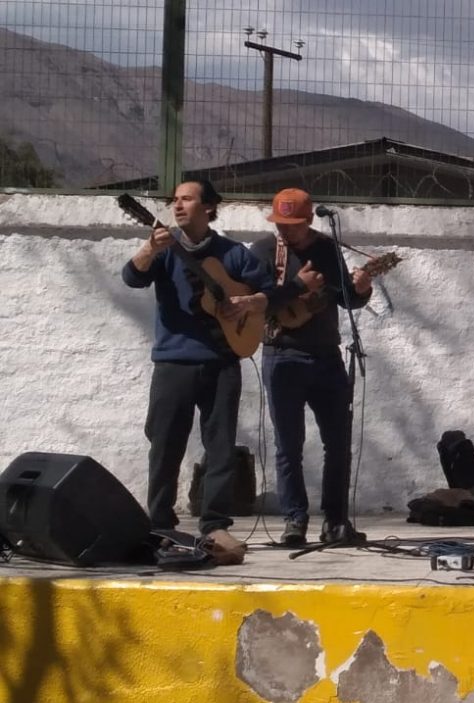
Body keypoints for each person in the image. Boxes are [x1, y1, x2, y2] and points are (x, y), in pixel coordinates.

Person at [121, 179, 290, 565]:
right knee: (164, 446)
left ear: (209, 207)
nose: (178, 206)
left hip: (222, 362)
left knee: (220, 448)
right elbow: (131, 278)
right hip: (173, 363)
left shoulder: (233, 254)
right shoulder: (164, 250)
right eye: (175, 200)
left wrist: (246, 302)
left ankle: (215, 524)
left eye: (188, 199)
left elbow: (274, 294)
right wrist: (149, 248)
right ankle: (160, 524)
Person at [248, 188, 374, 546]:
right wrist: (295, 287)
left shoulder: (327, 249)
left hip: (325, 355)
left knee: (338, 442)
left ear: (308, 221)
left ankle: (335, 521)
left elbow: (345, 299)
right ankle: (294, 520)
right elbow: (258, 303)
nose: (285, 230)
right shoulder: (263, 251)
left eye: (292, 224)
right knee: (289, 444)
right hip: (281, 354)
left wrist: (362, 289)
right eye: (280, 223)